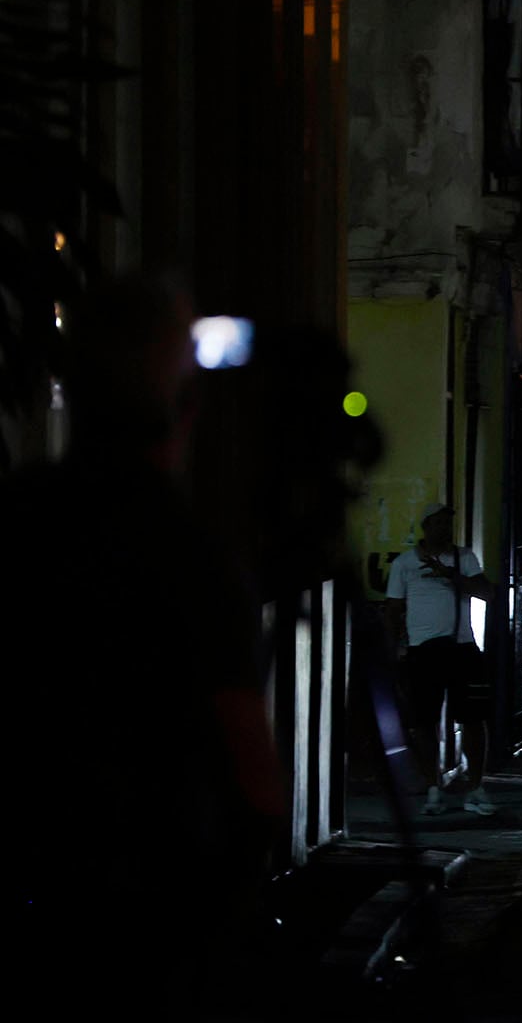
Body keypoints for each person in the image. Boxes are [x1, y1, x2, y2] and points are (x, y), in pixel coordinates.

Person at [5, 279, 282, 1008]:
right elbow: (252, 776)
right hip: (156, 914)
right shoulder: (192, 556)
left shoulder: (19, 527)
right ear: (187, 409)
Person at [386, 501, 497, 816]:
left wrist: (449, 574)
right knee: (424, 722)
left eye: (448, 523)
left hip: (462, 647)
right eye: (437, 523)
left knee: (474, 718)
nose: (444, 529)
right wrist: (393, 650)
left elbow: (486, 593)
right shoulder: (405, 564)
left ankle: (475, 786)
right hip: (424, 650)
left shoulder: (464, 558)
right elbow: (394, 609)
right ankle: (433, 787)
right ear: (425, 527)